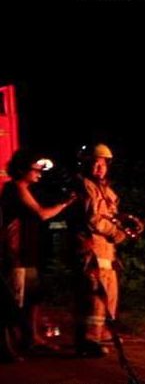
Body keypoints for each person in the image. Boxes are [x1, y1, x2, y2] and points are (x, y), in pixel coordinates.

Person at [0, 151, 77, 356]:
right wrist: (64, 204)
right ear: (22, 169)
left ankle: (31, 338)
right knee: (15, 300)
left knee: (33, 297)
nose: (39, 174)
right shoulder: (16, 188)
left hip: (26, 250)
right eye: (35, 169)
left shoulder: (24, 189)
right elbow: (41, 214)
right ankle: (8, 346)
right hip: (15, 252)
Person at [72, 143, 129, 357]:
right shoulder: (86, 186)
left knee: (109, 293)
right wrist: (116, 232)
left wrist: (124, 226)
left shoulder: (105, 189)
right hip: (91, 249)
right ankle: (89, 340)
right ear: (86, 164)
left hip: (105, 250)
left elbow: (110, 215)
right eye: (95, 164)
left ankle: (101, 333)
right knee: (95, 295)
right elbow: (93, 219)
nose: (99, 168)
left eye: (103, 164)